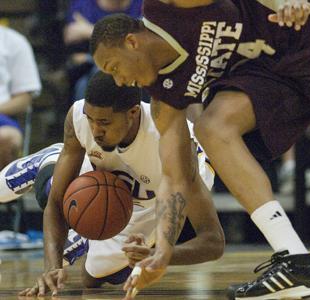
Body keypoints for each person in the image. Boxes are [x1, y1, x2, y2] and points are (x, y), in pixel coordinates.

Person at [90, 0, 310, 299]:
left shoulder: (169, 9)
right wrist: (163, 252)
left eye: (113, 67)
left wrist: (285, 2)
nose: (119, 81)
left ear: (131, 42)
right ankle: (295, 260)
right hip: (271, 66)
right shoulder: (165, 98)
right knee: (212, 128)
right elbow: (175, 178)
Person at [15, 71, 223, 297]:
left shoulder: (176, 150)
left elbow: (213, 242)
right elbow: (55, 203)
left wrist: (160, 255)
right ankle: (51, 161)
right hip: (107, 172)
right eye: (90, 119)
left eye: (104, 122)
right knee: (53, 189)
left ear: (133, 113)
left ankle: (86, 235)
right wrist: (52, 268)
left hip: (155, 196)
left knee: (93, 277)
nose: (95, 131)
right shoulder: (79, 118)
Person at [64, 0, 143, 101]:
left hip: (135, 65)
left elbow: (141, 41)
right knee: (89, 81)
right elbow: (71, 35)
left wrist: (90, 30)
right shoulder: (83, 4)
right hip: (91, 67)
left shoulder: (143, 4)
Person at [0, 26, 41, 170]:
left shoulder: (14, 42)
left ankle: (4, 191)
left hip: (2, 115)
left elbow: (24, 100)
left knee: (7, 137)